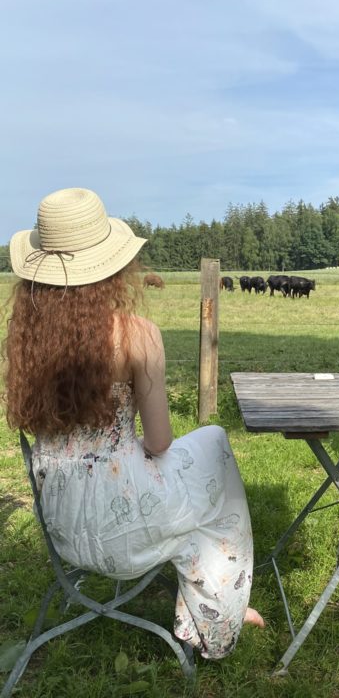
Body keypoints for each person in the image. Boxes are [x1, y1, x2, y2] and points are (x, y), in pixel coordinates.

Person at [2, 187, 264, 660]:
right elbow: (161, 441)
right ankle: (217, 613)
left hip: (62, 528)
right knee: (216, 451)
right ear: (110, 268)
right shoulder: (136, 336)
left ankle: (215, 594)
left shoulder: (29, 344)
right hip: (124, 529)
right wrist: (132, 447)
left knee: (200, 478)